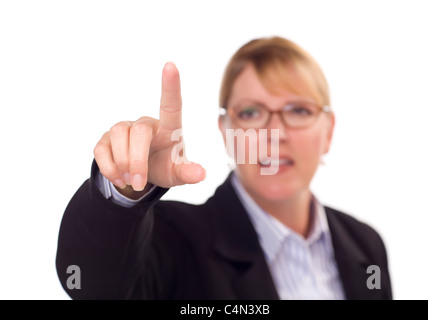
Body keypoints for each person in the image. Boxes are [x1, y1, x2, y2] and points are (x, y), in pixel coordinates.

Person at [56, 36, 393, 300]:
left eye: (299, 110)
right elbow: (90, 284)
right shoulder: (175, 241)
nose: (274, 134)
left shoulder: (365, 245)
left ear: (329, 132)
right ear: (226, 132)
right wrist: (127, 186)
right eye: (250, 113)